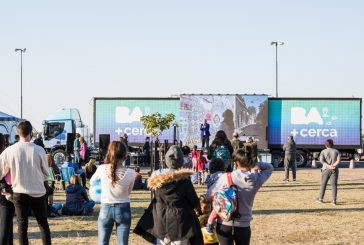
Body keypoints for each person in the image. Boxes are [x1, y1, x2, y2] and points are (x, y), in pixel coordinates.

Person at [134, 145, 204, 245]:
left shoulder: (156, 180)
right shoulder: (185, 181)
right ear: (181, 161)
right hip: (180, 225)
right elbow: (194, 202)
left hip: (160, 222)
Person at [0, 121, 52, 245]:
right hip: (37, 192)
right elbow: (46, 172)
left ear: (18, 133)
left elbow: (1, 171)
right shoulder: (39, 150)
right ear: (31, 133)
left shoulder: (10, 150)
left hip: (19, 192)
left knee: (22, 227)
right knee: (43, 224)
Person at [208, 147, 273, 245]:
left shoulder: (226, 177)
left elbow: (209, 194)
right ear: (250, 162)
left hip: (224, 222)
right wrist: (255, 165)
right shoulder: (255, 179)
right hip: (244, 224)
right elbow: (269, 167)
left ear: (235, 163)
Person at [90, 141, 135, 245]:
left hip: (106, 208)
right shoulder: (131, 173)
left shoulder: (101, 169)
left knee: (102, 242)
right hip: (124, 208)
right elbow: (128, 192)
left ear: (109, 153)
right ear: (125, 155)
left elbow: (92, 182)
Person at [0, 133, 15, 245]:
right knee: (6, 224)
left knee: (7, 224)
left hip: (5, 192)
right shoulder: (5, 156)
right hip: (5, 193)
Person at [317, 139, 341, 205]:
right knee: (334, 185)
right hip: (334, 170)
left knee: (323, 184)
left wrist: (328, 166)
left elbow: (321, 161)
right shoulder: (336, 151)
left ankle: (320, 199)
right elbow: (338, 160)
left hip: (325, 169)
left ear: (325, 145)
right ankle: (333, 200)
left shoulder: (323, 151)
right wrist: (333, 165)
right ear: (332, 144)